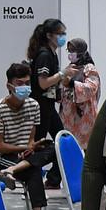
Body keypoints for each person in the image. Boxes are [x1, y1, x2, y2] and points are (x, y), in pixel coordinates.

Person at [0, 62, 60, 210]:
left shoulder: (33, 105)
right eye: (20, 83)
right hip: (1, 156)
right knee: (33, 170)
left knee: (54, 146)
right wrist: (25, 148)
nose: (25, 87)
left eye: (27, 83)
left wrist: (30, 148)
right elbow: (0, 146)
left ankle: (12, 171)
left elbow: (31, 137)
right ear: (9, 86)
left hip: (23, 154)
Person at [27, 18, 70, 189]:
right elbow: (43, 83)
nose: (63, 37)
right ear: (49, 35)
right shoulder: (44, 55)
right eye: (60, 34)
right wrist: (62, 74)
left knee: (62, 140)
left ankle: (52, 179)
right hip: (41, 106)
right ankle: (30, 178)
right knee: (38, 143)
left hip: (49, 105)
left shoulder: (51, 54)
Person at [61, 38, 102, 148]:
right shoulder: (70, 68)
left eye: (73, 50)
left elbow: (91, 88)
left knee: (84, 148)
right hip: (69, 117)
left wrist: (70, 83)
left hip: (84, 116)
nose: (70, 54)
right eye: (69, 51)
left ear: (80, 51)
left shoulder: (89, 68)